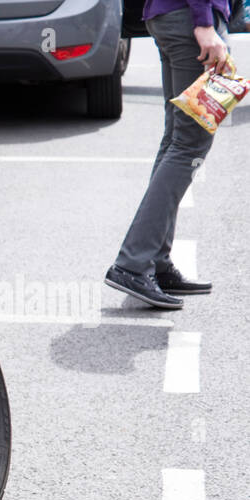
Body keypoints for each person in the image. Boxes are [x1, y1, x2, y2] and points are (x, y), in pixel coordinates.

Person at [106, 0, 233, 309]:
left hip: (170, 17)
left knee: (176, 141)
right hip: (190, 21)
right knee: (190, 143)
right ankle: (133, 263)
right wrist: (204, 23)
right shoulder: (198, 23)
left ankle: (155, 261)